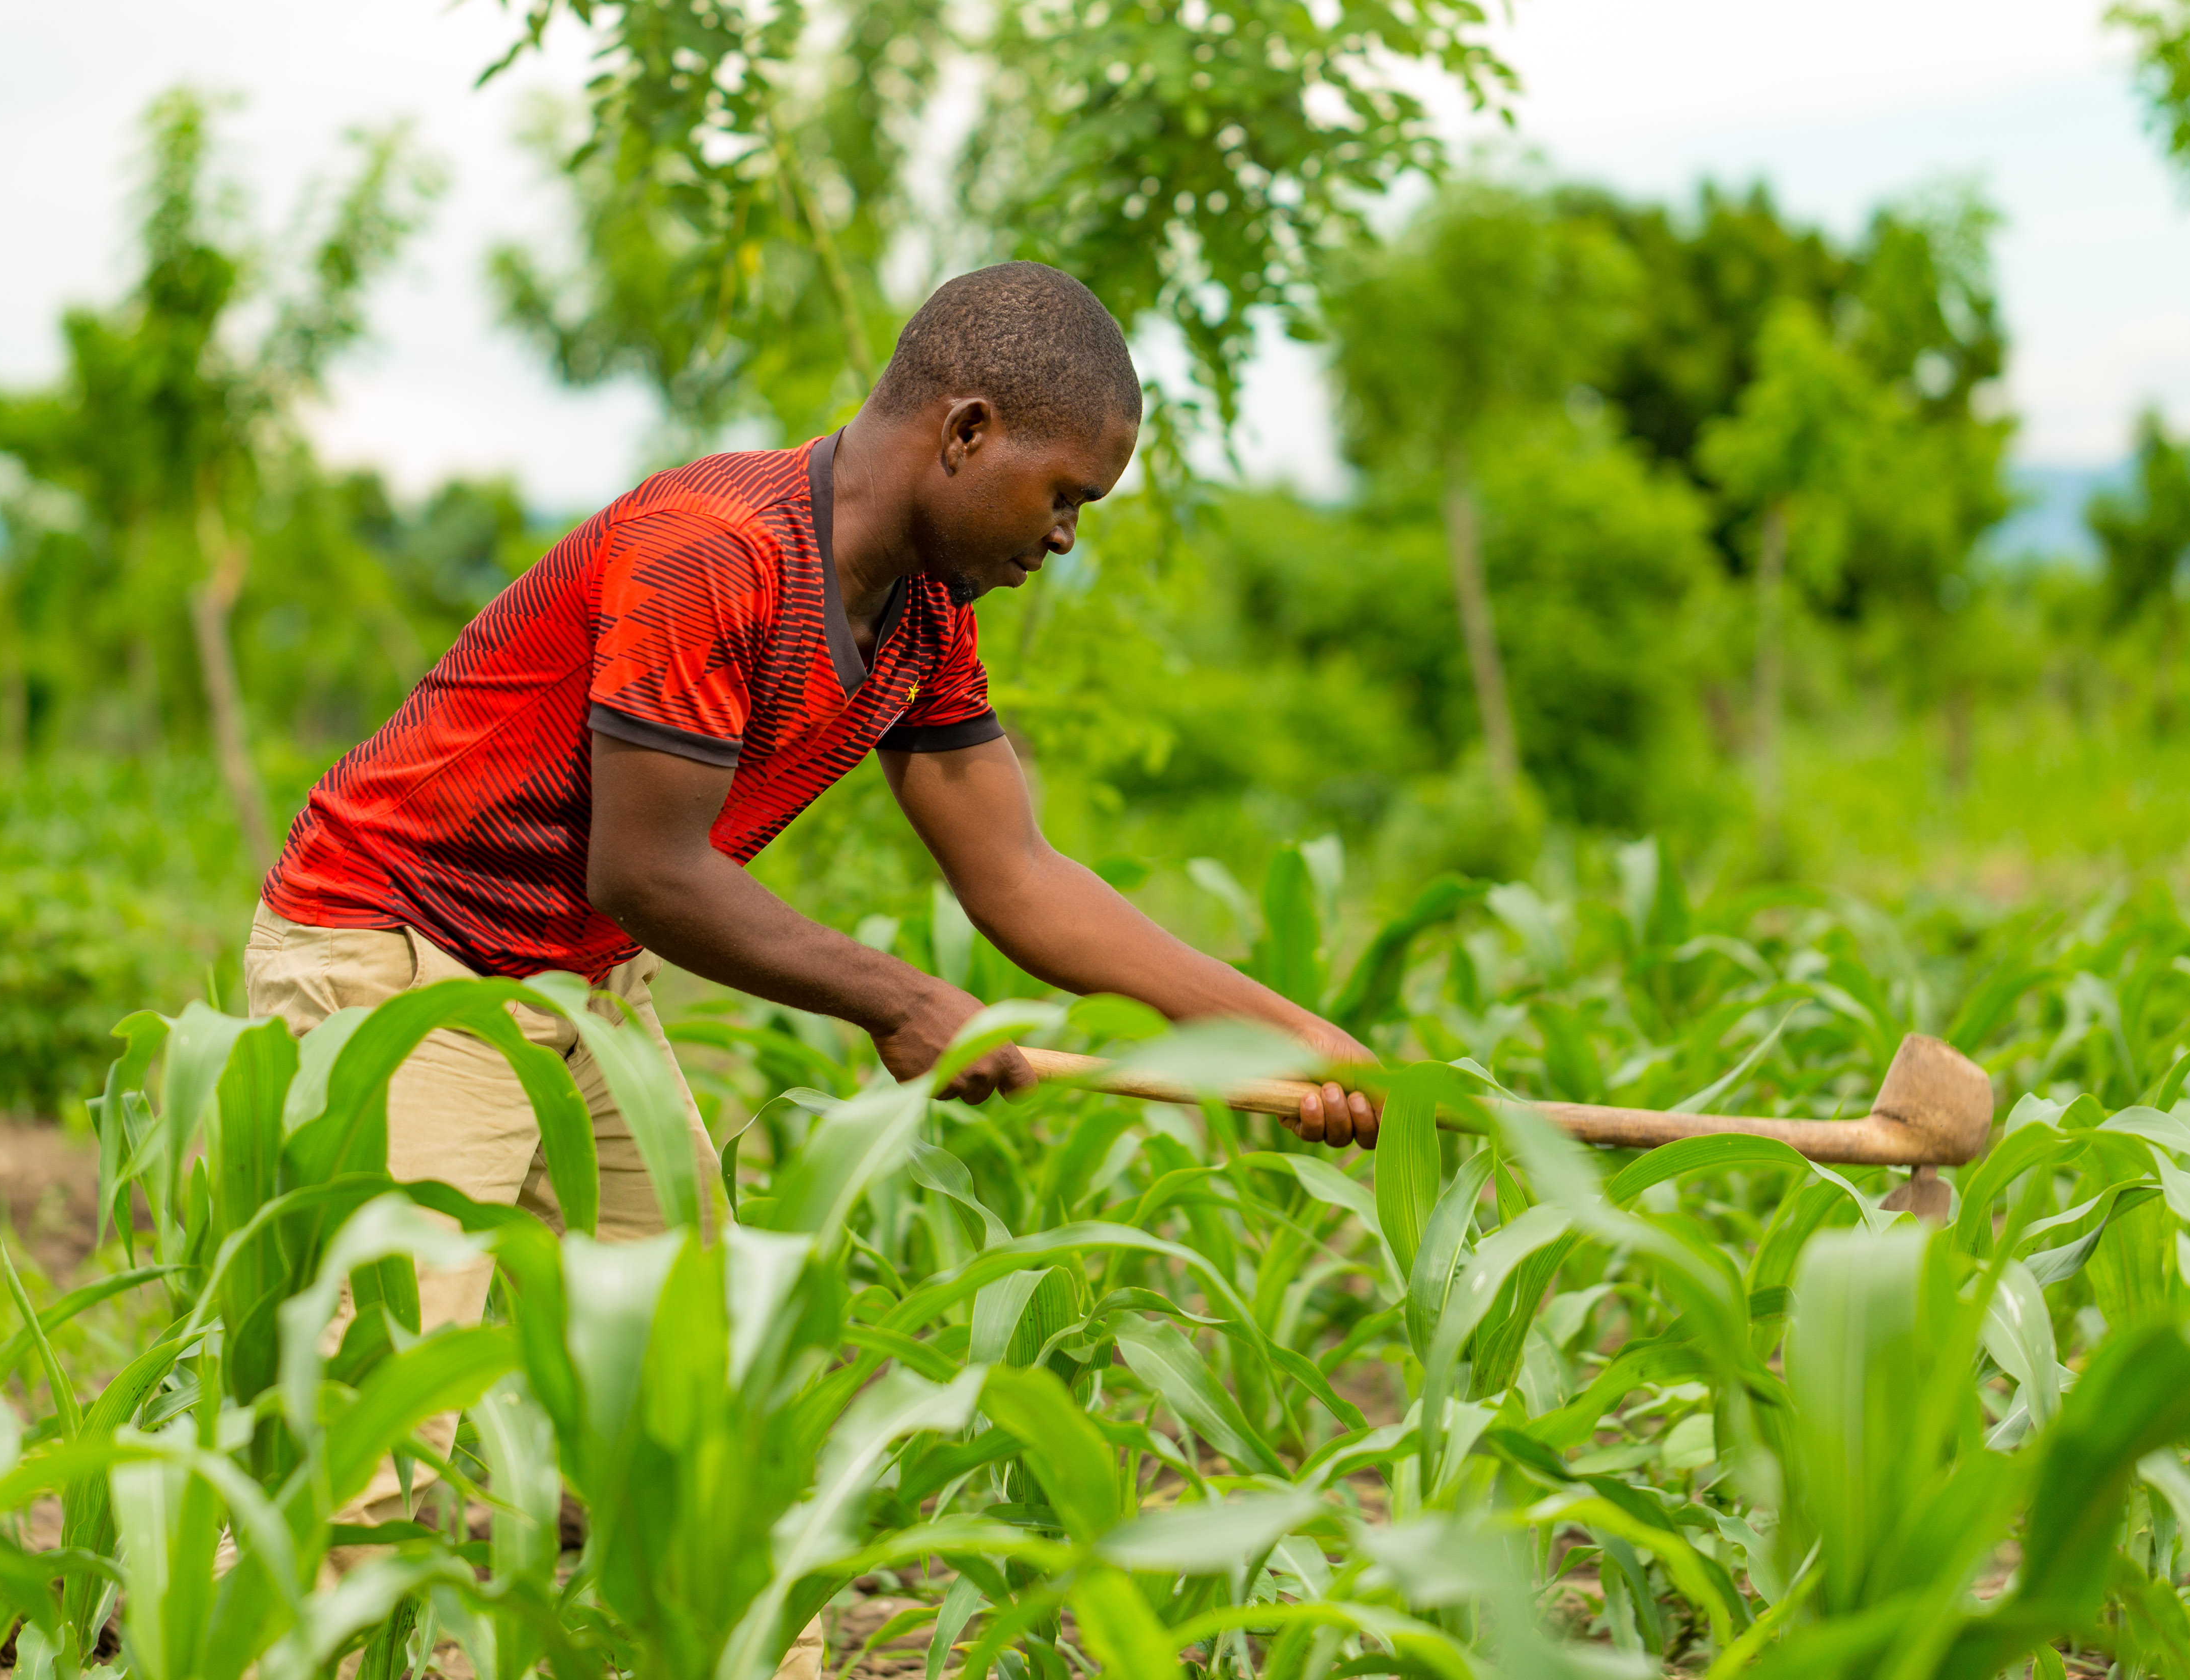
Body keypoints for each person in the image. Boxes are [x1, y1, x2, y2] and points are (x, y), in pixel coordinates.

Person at [240, 261, 1379, 1674]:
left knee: (711, 1395)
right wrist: (908, 1003)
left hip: (576, 989)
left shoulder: (923, 618)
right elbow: (649, 873)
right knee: (374, 1420)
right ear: (966, 433)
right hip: (396, 956)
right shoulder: (715, 548)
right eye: (1066, 495)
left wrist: (1297, 1040)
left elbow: (1020, 877)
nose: (1068, 538)